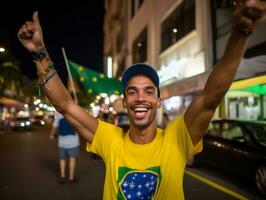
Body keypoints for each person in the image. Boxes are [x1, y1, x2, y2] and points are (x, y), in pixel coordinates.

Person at [17, 1, 266, 198]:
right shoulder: (109, 139)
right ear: (124, 102)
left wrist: (242, 32)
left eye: (149, 91)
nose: (140, 98)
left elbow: (211, 96)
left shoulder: (176, 139)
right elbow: (65, 105)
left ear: (158, 101)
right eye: (132, 91)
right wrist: (39, 53)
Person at [50, 111, 80, 184]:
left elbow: (55, 126)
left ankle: (62, 176)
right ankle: (71, 177)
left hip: (62, 142)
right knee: (72, 159)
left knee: (62, 159)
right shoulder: (74, 114)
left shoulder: (59, 114)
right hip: (73, 141)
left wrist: (52, 134)